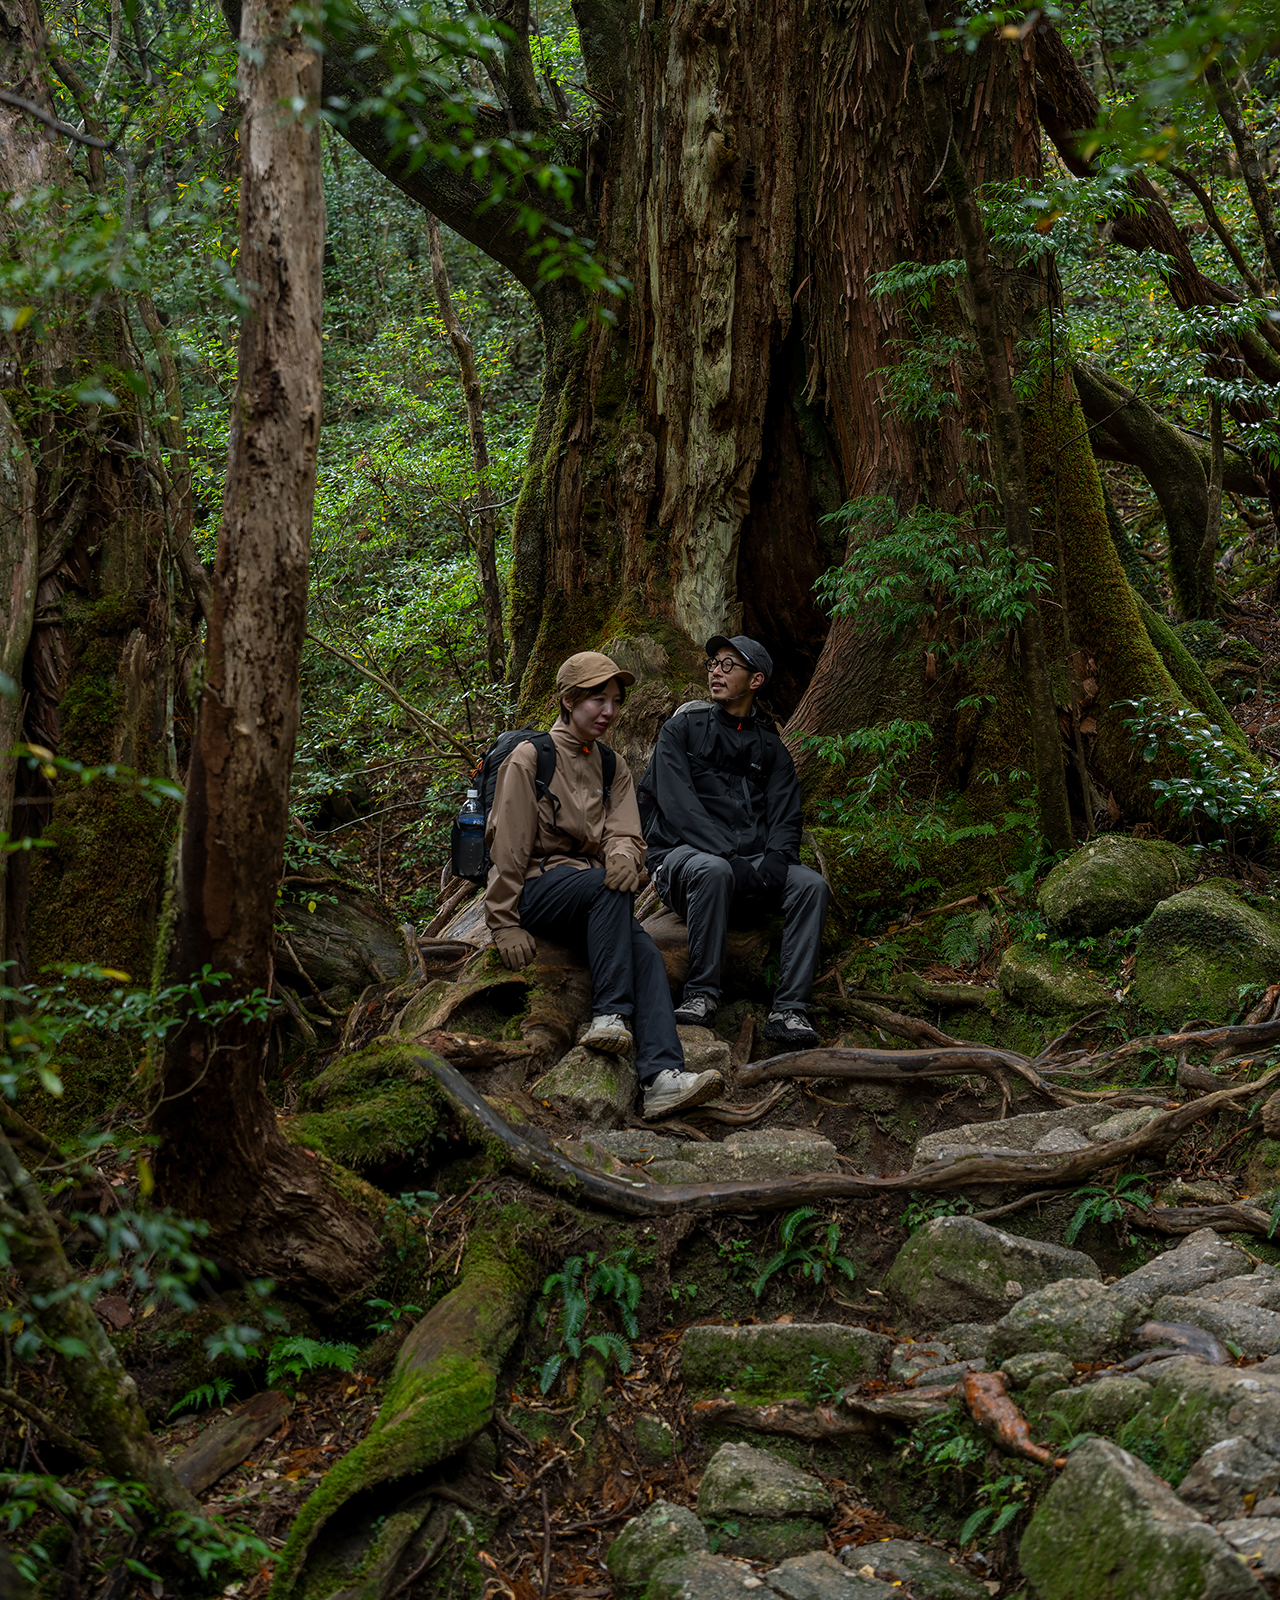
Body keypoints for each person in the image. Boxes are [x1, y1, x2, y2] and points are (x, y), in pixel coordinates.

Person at [484, 650, 725, 1119]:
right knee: (605, 886)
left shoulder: (612, 765)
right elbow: (508, 844)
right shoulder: (530, 757)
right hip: (537, 889)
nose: (609, 712)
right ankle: (610, 1014)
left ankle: (662, 1078)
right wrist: (503, 922)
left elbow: (625, 833)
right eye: (598, 700)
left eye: (615, 701)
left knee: (646, 954)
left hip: (592, 896)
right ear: (568, 700)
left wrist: (622, 859)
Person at [643, 635, 831, 1048]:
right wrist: (729, 855)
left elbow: (786, 812)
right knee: (713, 869)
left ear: (756, 680)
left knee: (811, 885)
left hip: (749, 867)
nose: (715, 671)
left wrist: (779, 858)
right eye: (714, 663)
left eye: (729, 665)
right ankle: (701, 995)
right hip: (683, 863)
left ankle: (790, 1010)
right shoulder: (681, 730)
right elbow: (678, 806)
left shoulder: (771, 748)